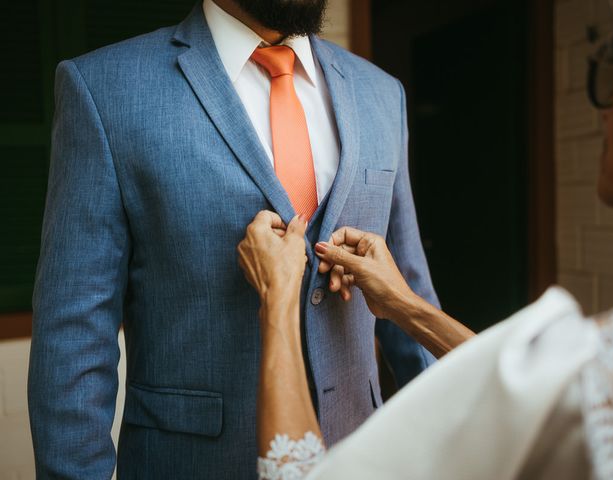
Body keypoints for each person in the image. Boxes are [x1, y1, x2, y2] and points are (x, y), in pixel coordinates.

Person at [27, 0, 440, 478]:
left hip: (361, 457)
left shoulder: (381, 93)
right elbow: (74, 333)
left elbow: (408, 295)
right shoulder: (105, 89)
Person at [237, 0, 613, 478]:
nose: (605, 112)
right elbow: (523, 378)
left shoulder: (381, 94)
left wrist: (278, 304)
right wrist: (404, 305)